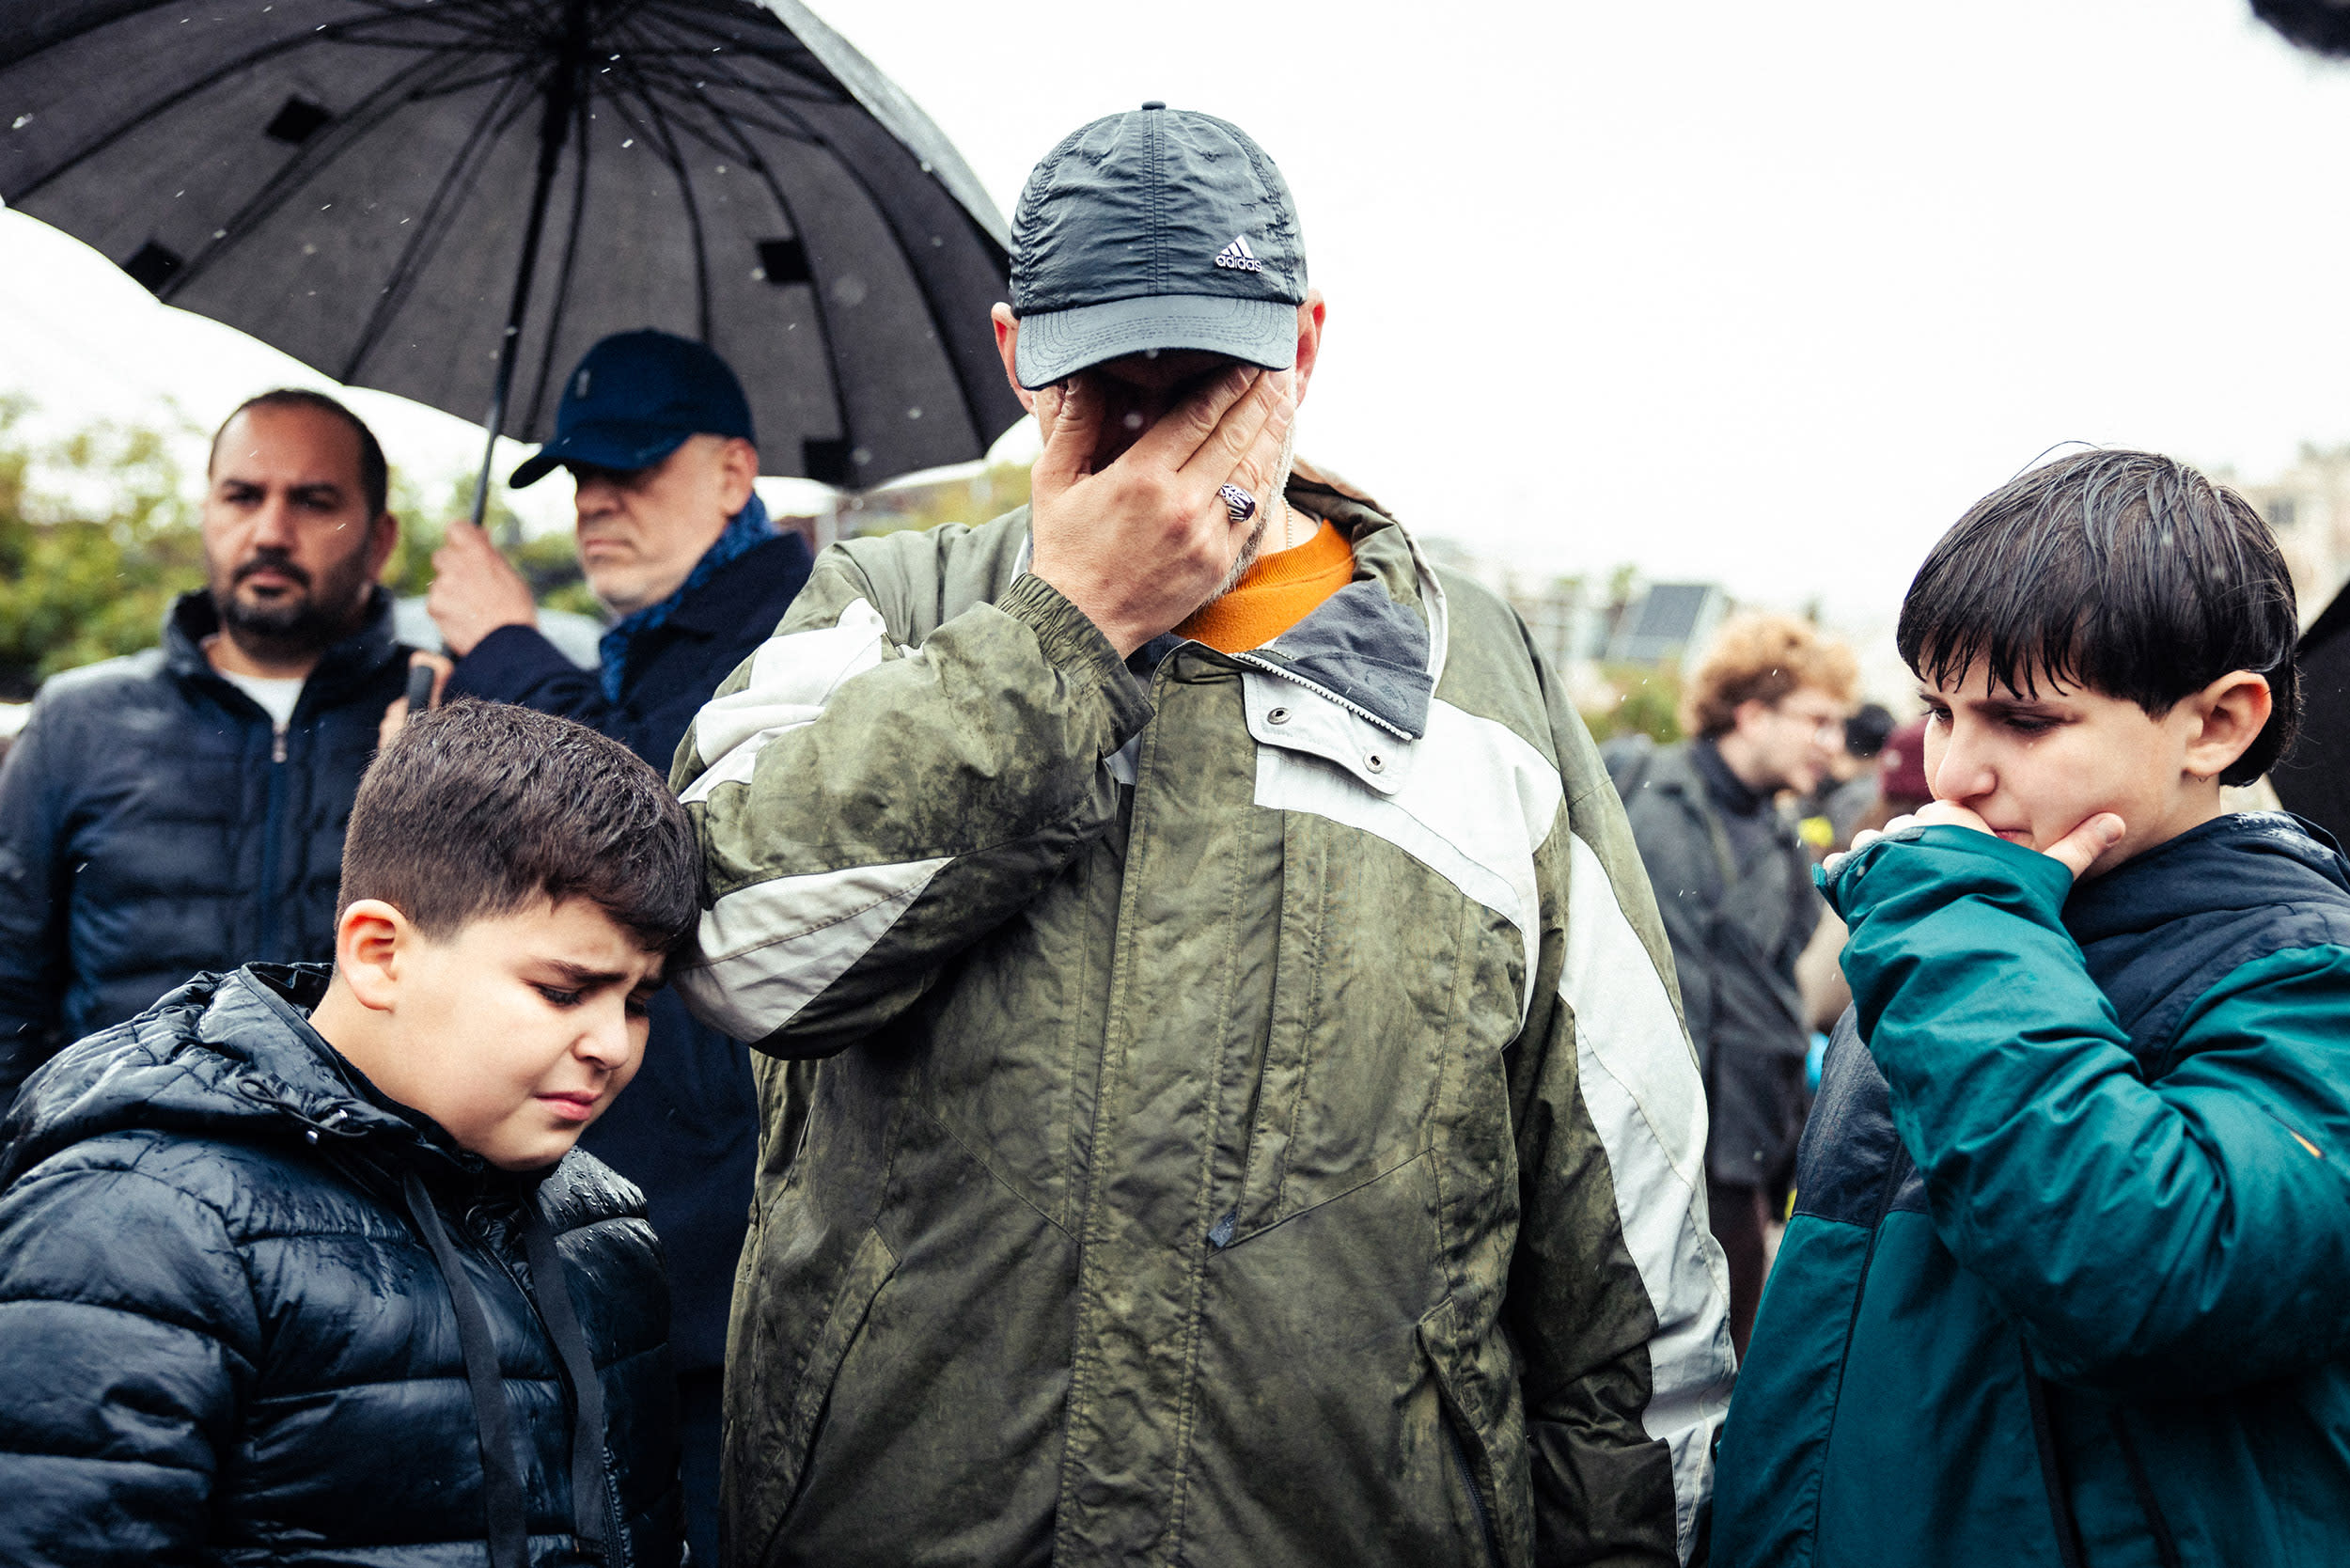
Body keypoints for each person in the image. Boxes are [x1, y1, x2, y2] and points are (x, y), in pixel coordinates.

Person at [669, 103, 1731, 1567]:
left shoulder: (1477, 686)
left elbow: (1631, 1238)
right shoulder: (890, 607)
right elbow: (738, 958)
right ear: (1012, 353)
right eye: (1109, 376)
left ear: (1301, 348)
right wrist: (1070, 629)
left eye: (1210, 374)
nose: (1164, 426)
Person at [1714, 450, 2350, 1565]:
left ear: (2216, 725)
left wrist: (1960, 929)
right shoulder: (1961, 928)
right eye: (1939, 711)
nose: (1954, 774)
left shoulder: (2301, 974)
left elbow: (2150, 1277)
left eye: (2023, 719)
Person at [0, 699, 693, 1565]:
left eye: (637, 1002)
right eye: (563, 990)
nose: (610, 1045)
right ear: (378, 953)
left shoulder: (606, 1231)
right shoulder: (137, 1225)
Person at [422, 327, 814, 1564]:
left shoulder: (787, 636)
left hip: (717, 1256)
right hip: (621, 1242)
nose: (598, 503)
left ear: (735, 474)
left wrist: (502, 642)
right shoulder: (646, 647)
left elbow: (643, 835)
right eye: (580, 476)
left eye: (633, 470)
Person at [0, 388, 409, 1105]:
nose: (271, 531)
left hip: (366, 1187)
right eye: (242, 496)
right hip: (111, 1180)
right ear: (207, 512)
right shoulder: (80, 721)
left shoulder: (443, 724)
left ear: (379, 540)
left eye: (314, 501)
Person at [1611, 613, 1857, 1356]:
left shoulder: (1784, 837)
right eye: (1818, 720)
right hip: (1635, 1150)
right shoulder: (1633, 789)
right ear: (1752, 713)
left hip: (1740, 1160)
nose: (1834, 746)